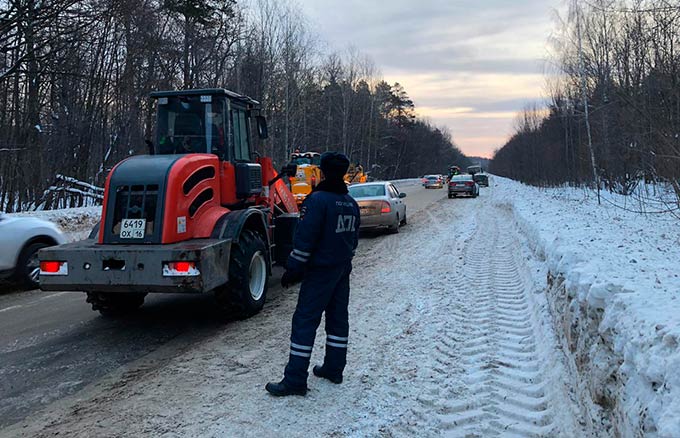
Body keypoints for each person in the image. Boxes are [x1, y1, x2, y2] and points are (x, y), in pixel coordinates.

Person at [266, 152, 360, 397]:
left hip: (319, 272)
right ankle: (334, 368)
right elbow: (354, 241)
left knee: (305, 322)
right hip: (342, 270)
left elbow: (305, 240)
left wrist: (293, 269)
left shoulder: (316, 201)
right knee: (338, 320)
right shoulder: (350, 203)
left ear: (323, 172)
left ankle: (295, 379)